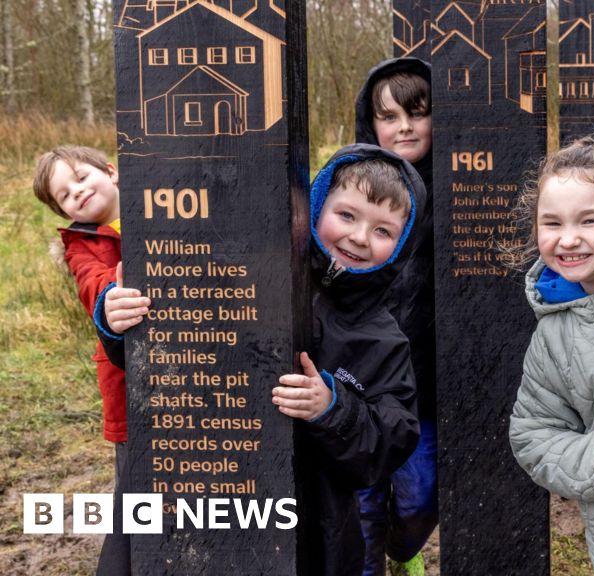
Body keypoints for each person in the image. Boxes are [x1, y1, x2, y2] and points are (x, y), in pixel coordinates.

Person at [99, 144, 427, 575]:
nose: (360, 237)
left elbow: (392, 438)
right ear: (316, 204)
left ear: (403, 243)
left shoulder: (382, 339)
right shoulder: (247, 270)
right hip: (201, 475)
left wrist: (333, 408)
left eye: (383, 231)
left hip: (312, 521)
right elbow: (175, 350)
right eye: (347, 216)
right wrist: (118, 321)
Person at [507, 134, 594, 576]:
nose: (568, 239)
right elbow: (533, 435)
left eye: (589, 220)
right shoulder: (554, 334)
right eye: (552, 223)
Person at [32, 145, 137, 575]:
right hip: (133, 394)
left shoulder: (160, 205)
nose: (76, 192)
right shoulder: (82, 247)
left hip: (194, 373)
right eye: (63, 195)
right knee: (136, 499)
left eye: (79, 177)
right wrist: (113, 298)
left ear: (110, 171)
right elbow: (94, 288)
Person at [353, 57, 436, 576]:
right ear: (371, 124)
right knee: (360, 504)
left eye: (417, 112)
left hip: (424, 385)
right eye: (388, 116)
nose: (403, 126)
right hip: (358, 380)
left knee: (420, 496)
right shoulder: (352, 187)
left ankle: (400, 551)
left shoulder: (463, 192)